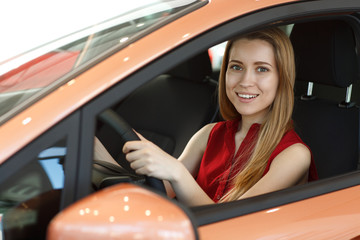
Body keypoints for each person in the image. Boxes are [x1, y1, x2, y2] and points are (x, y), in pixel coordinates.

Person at [102, 27, 318, 206]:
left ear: (282, 79)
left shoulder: (294, 155)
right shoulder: (209, 134)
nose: (245, 81)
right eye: (236, 67)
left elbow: (231, 227)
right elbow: (158, 193)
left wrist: (177, 171)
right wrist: (95, 154)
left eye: (262, 69)